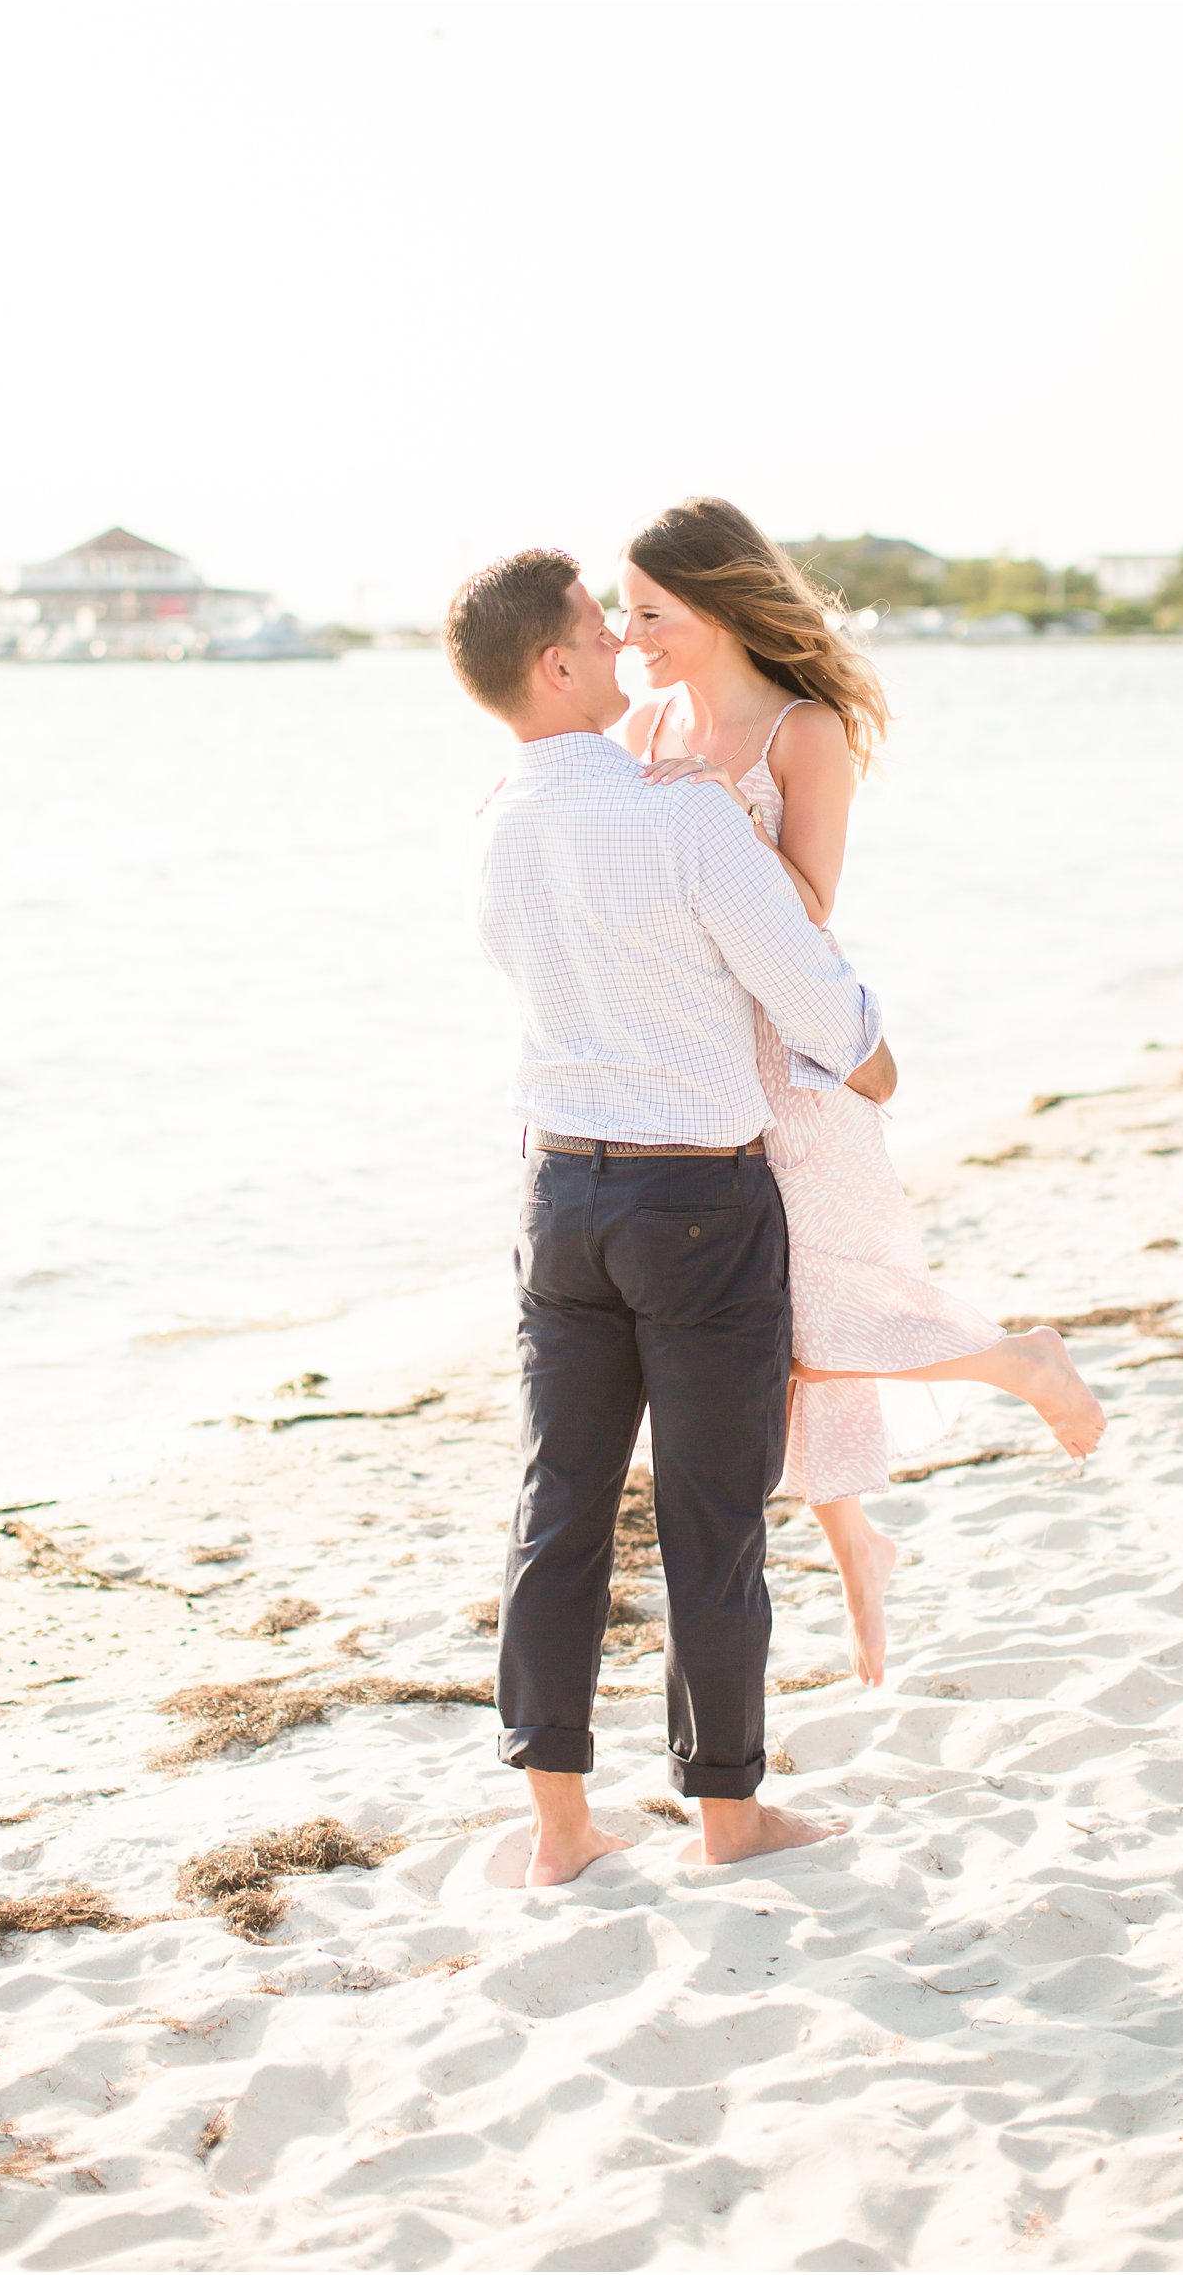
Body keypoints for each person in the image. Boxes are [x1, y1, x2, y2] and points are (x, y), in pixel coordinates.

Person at [444, 547, 895, 1886]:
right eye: (599, 625)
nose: (621, 644)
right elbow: (808, 990)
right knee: (710, 1512)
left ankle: (562, 1831)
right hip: (695, 1194)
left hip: (558, 1193)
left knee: (560, 1504)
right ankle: (726, 1814)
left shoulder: (490, 821)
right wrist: (872, 1060)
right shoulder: (680, 815)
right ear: (556, 664)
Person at [617, 497, 1106, 1687]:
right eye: (622, 614)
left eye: (648, 612)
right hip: (689, 1063)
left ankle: (1015, 1360)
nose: (631, 637)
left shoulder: (803, 729)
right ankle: (859, 1554)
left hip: (792, 1063)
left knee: (807, 1313)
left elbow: (810, 905)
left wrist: (704, 803)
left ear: (717, 603)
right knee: (767, 1340)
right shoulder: (641, 720)